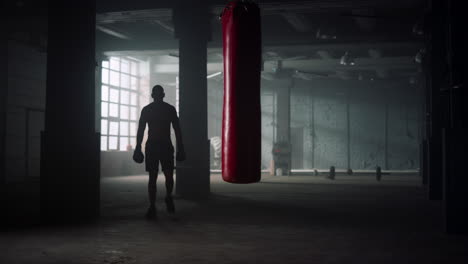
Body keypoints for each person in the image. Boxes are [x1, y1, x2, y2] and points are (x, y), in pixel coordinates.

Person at [134, 85, 185, 219]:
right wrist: (181, 148)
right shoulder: (169, 109)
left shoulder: (148, 110)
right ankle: (166, 198)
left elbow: (141, 130)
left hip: (154, 146)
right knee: (167, 175)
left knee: (154, 177)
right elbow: (177, 130)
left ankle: (153, 205)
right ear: (163, 95)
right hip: (163, 145)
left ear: (153, 95)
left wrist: (138, 147)